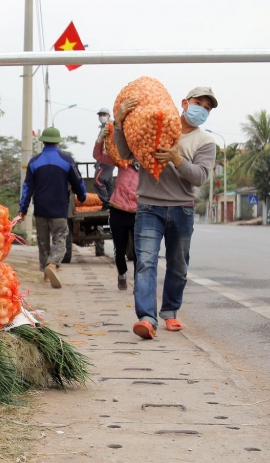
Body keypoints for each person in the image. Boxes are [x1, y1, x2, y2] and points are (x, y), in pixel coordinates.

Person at [113, 87, 217, 339]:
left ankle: (170, 313)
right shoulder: (157, 124)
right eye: (197, 103)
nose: (201, 109)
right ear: (184, 102)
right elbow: (126, 153)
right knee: (146, 262)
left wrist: (176, 158)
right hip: (149, 206)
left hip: (182, 208)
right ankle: (147, 319)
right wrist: (118, 123)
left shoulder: (206, 142)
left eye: (207, 107)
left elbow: (201, 177)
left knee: (178, 265)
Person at [18, 126, 87, 289]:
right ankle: (53, 265)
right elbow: (78, 181)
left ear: (43, 143)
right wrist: (82, 196)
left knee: (43, 242)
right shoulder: (66, 160)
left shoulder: (34, 162)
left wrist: (23, 208)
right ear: (57, 142)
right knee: (60, 238)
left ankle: (46, 275)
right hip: (59, 210)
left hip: (40, 209)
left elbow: (27, 187)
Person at [93, 127, 139, 291]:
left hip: (138, 213)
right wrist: (100, 139)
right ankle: (122, 274)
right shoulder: (123, 161)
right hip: (118, 209)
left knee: (139, 249)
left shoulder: (149, 165)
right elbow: (98, 156)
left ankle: (140, 280)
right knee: (119, 248)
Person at [93, 108, 116, 209]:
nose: (101, 117)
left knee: (98, 180)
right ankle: (112, 202)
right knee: (108, 181)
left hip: (107, 157)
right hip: (106, 158)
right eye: (100, 115)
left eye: (104, 114)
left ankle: (107, 202)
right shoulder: (103, 127)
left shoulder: (110, 125)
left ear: (109, 116)